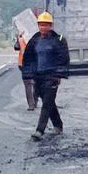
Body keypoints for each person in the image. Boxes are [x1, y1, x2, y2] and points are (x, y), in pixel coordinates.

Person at [26, 12, 69, 140]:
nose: (43, 27)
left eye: (46, 25)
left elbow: (64, 58)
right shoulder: (35, 41)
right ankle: (58, 125)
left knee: (46, 104)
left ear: (51, 26)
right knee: (48, 102)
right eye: (41, 25)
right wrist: (29, 74)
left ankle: (40, 130)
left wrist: (59, 75)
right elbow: (30, 58)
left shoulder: (58, 40)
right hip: (38, 76)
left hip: (52, 76)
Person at [13, 30, 39, 110]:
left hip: (33, 63)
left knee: (34, 83)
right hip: (25, 64)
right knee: (29, 84)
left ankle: (34, 102)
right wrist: (18, 38)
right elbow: (16, 47)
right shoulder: (22, 38)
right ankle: (32, 104)